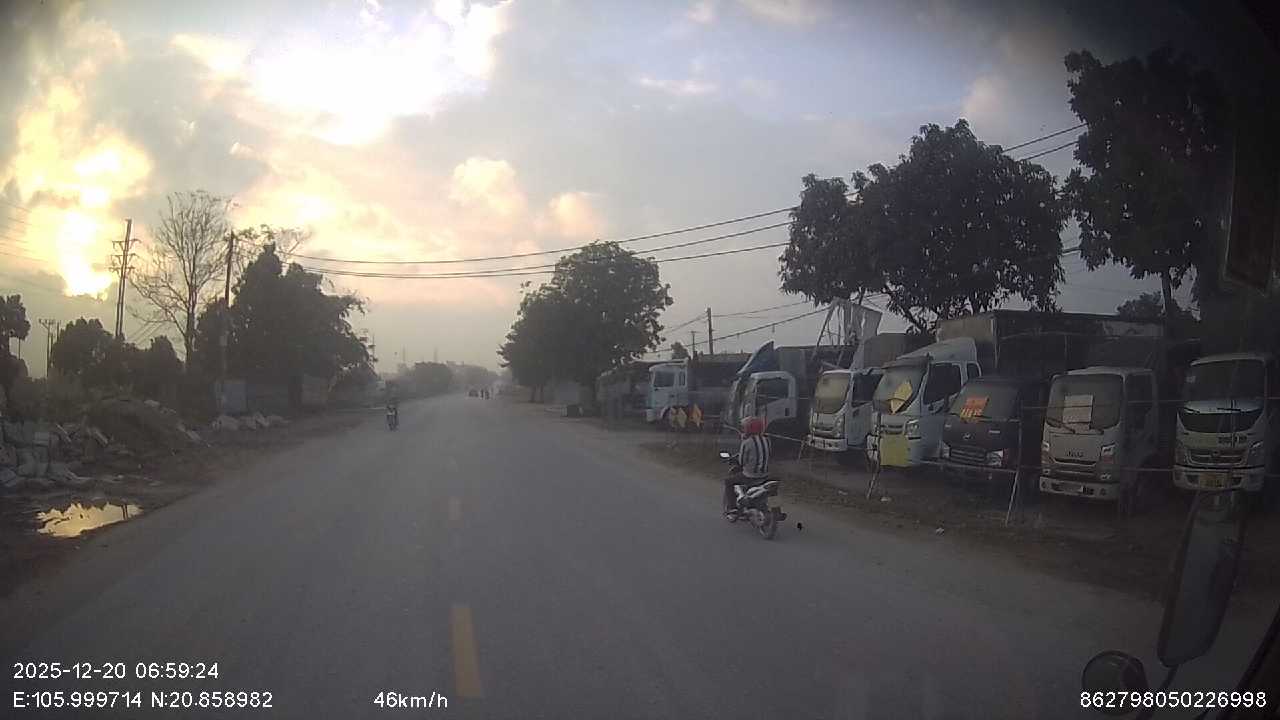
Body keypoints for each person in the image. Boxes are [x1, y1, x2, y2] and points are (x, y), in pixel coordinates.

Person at [724, 416, 770, 516]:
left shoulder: (747, 442)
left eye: (744, 427)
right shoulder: (767, 440)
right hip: (765, 475)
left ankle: (732, 508)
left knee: (728, 481)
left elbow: (742, 461)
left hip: (750, 476)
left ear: (749, 428)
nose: (743, 429)